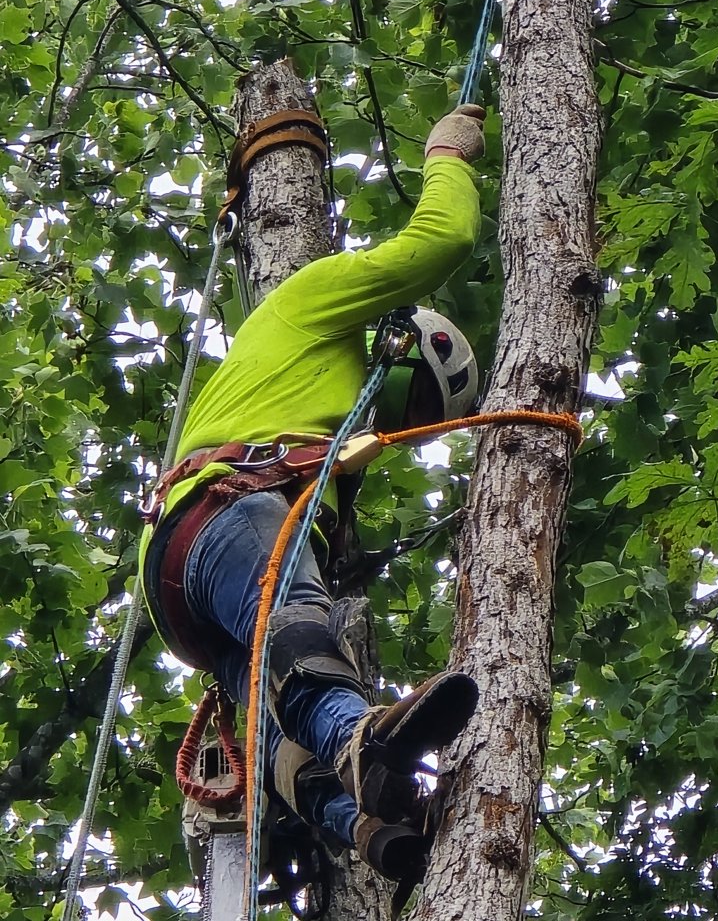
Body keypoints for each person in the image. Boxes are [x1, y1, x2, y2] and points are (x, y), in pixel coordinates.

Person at [139, 103, 488, 890]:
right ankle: (358, 738)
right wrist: (447, 156)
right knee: (295, 606)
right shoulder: (316, 300)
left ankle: (361, 824)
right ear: (401, 347)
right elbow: (444, 240)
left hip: (186, 589)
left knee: (273, 719)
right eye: (415, 407)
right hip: (226, 510)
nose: (403, 426)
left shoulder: (321, 424)